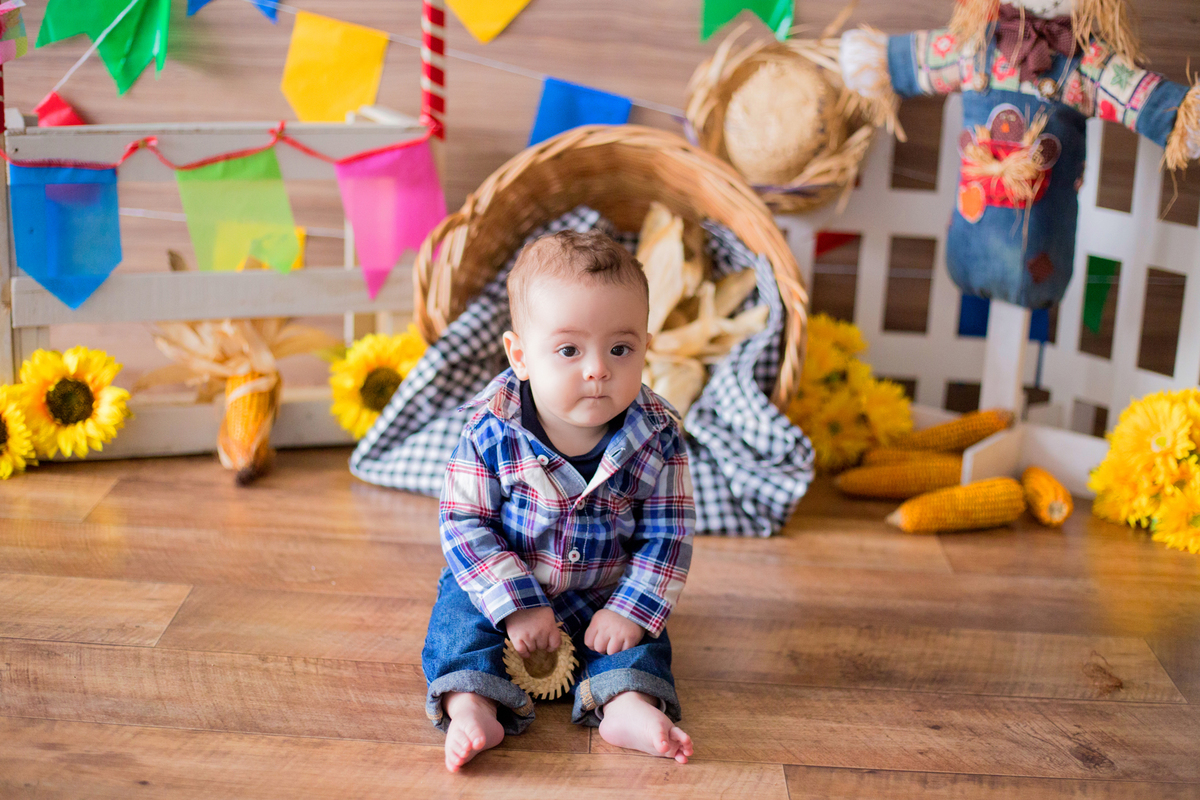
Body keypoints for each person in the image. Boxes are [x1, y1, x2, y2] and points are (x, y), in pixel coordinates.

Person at [422, 229, 695, 772]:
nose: (598, 369)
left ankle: (627, 702)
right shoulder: (490, 430)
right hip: (506, 585)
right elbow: (464, 523)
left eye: (620, 349)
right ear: (521, 356)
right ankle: (471, 702)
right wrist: (517, 604)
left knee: (641, 643)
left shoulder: (658, 435)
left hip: (603, 593)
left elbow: (668, 536)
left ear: (646, 346)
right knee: (458, 618)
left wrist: (629, 609)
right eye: (569, 350)